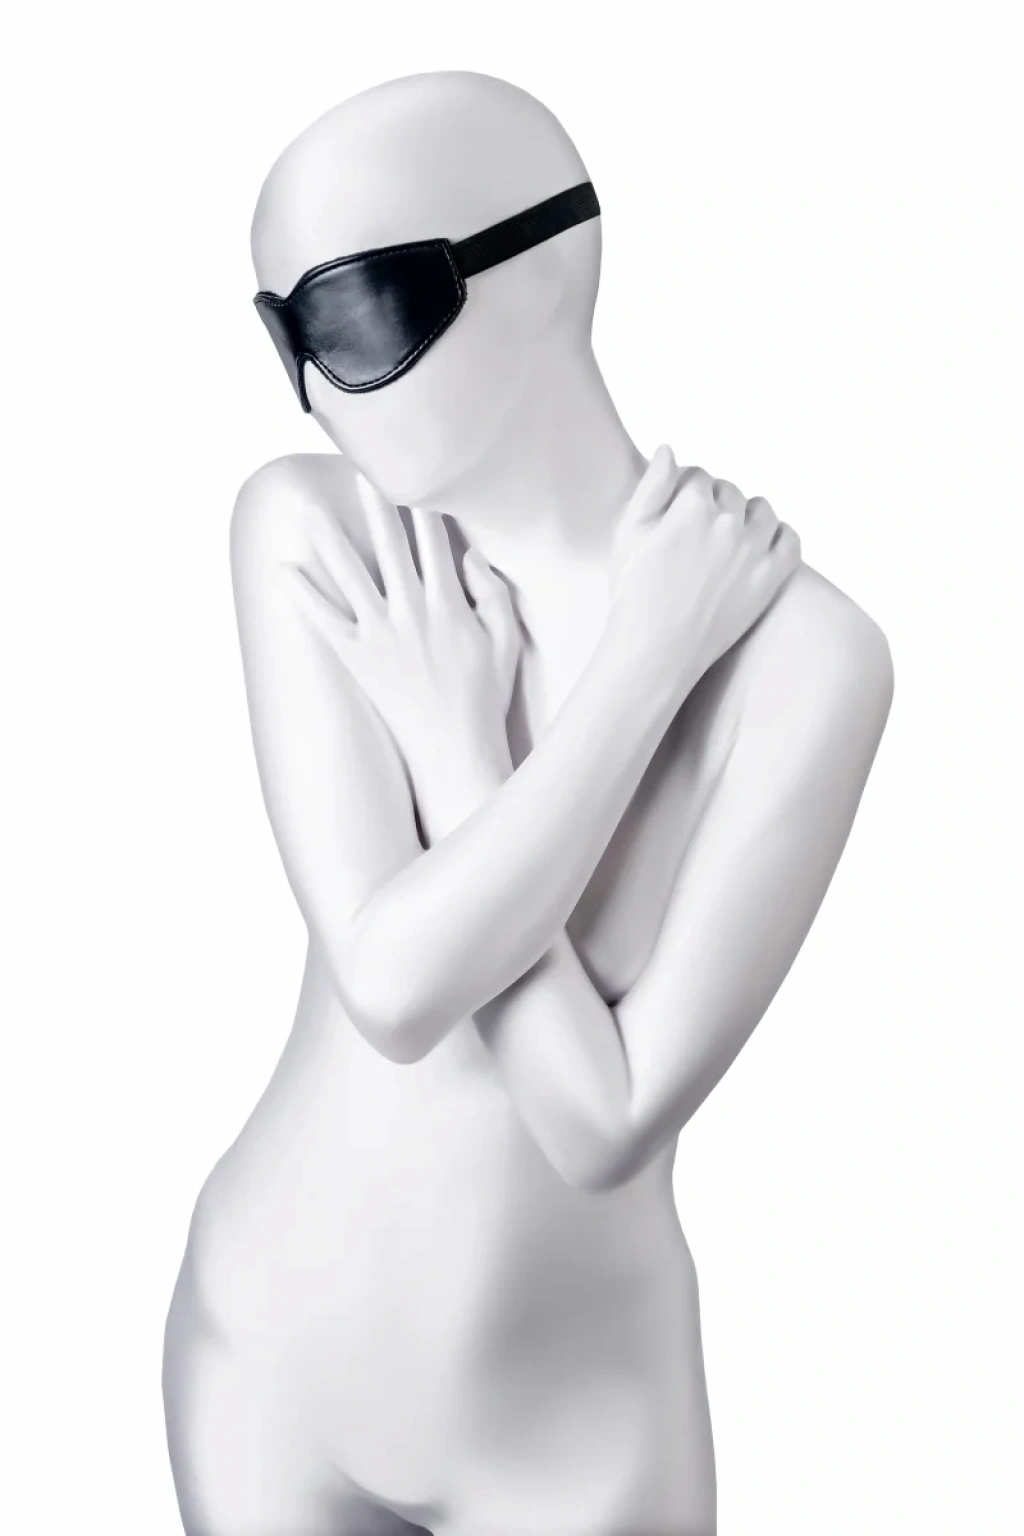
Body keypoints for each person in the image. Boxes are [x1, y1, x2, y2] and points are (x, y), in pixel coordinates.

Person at [162, 69, 894, 1536]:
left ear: (549, 266)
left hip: (577, 1430)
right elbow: (391, 985)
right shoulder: (316, 534)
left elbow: (599, 1123)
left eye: (359, 315)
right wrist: (641, 668)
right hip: (266, 1359)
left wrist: (465, 751)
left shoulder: (807, 660)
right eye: (287, 337)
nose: (323, 388)